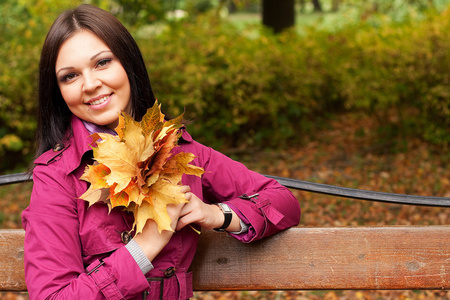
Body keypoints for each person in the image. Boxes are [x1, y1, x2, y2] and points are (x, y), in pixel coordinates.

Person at [21, 4, 301, 300]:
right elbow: (53, 296)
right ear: (58, 90)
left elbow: (283, 202)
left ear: (128, 62)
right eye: (70, 76)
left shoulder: (176, 150)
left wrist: (217, 214)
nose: (90, 85)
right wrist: (143, 248)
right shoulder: (58, 175)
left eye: (102, 62)